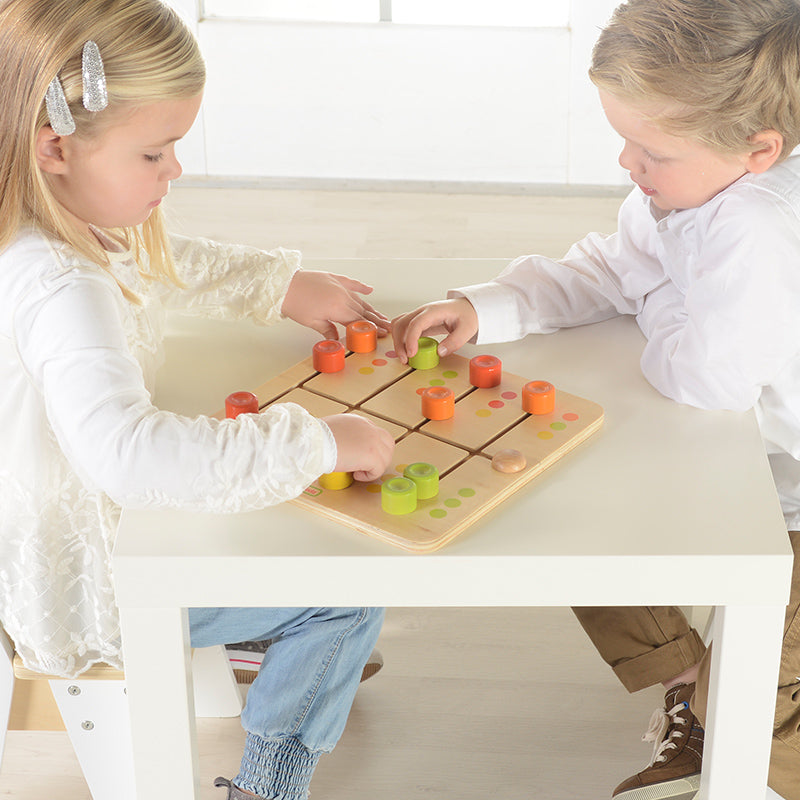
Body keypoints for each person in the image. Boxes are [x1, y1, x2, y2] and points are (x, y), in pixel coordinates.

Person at [391, 1, 800, 798]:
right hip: (738, 459)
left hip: (790, 493)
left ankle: (734, 758)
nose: (625, 161)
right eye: (623, 138)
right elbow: (614, 268)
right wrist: (492, 305)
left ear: (759, 151)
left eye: (649, 150)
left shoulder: (757, 227)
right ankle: (687, 684)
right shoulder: (689, 186)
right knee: (577, 524)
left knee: (766, 703)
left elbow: (704, 376)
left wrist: (649, 295)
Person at [0, 1, 395, 798]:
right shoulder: (61, 289)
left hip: (36, 537)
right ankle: (271, 783)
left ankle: (248, 639)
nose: (173, 171)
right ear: (55, 147)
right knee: (346, 599)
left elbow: (155, 258)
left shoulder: (39, 226)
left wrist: (277, 283)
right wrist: (317, 441)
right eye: (156, 152)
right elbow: (132, 458)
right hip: (78, 591)